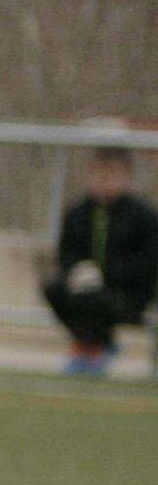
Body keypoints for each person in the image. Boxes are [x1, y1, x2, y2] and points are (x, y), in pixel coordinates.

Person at [44, 140, 155, 379]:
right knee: (56, 288)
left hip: (128, 292)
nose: (105, 182)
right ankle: (87, 345)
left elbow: (148, 262)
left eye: (112, 175)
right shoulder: (78, 213)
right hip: (84, 288)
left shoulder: (143, 216)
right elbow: (66, 253)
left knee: (94, 298)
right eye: (100, 175)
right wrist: (78, 271)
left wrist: (104, 275)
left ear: (126, 177)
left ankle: (97, 347)